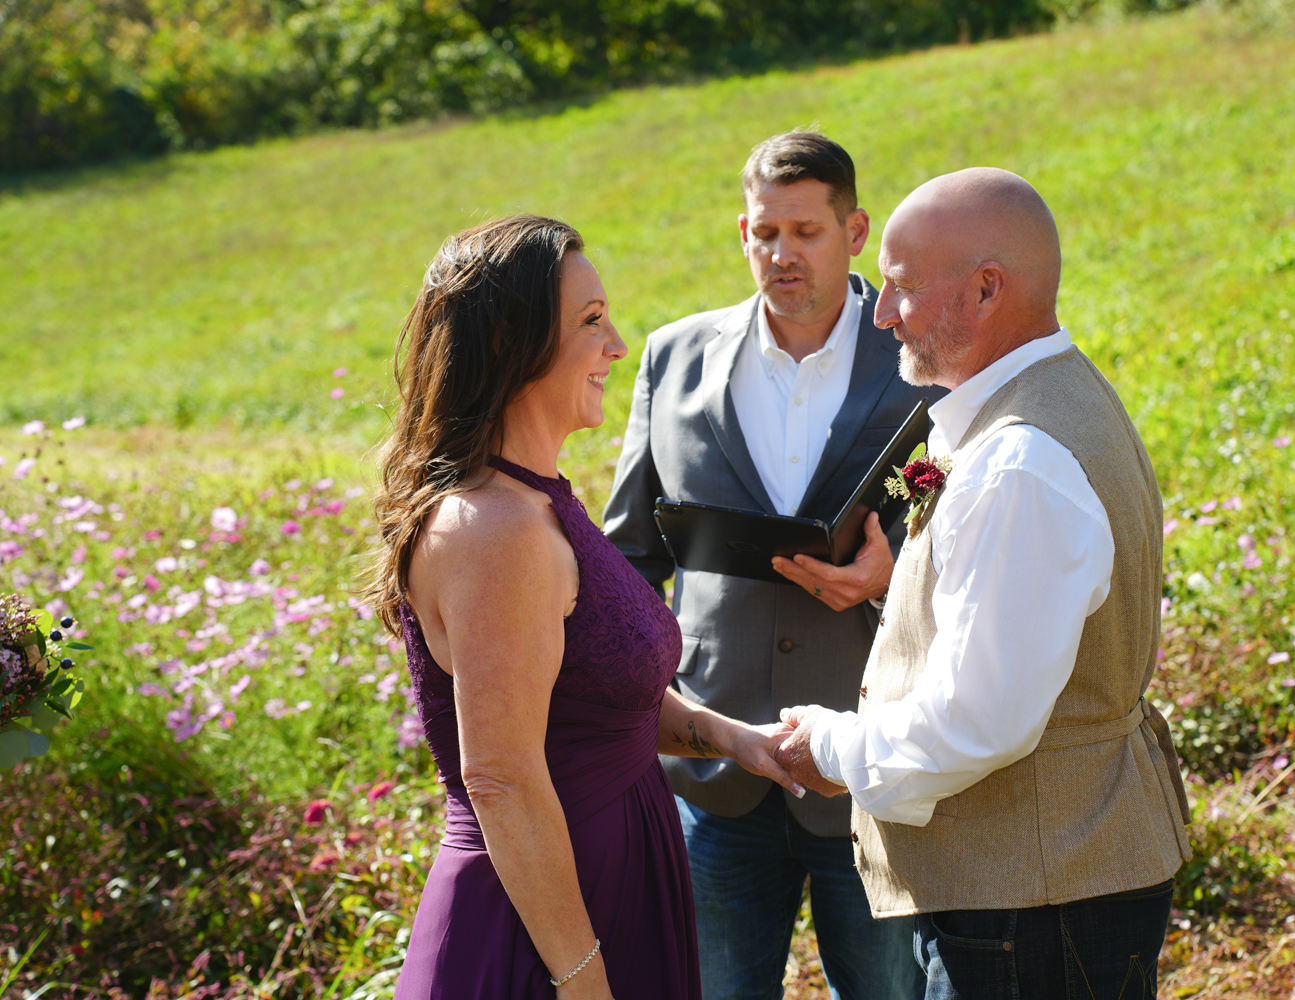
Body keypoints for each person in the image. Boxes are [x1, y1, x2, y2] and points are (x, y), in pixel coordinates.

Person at [774, 168, 1193, 999]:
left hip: (1034, 906)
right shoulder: (1051, 407)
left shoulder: (1019, 461)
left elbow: (976, 722)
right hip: (1048, 884)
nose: (881, 313)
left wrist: (830, 746)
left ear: (986, 289)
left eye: (898, 288)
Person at [368, 215, 801, 1000]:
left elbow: (595, 690)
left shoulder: (536, 503)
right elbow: (500, 779)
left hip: (608, 892)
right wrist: (582, 979)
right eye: (591, 321)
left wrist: (737, 740)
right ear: (509, 342)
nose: (618, 346)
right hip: (539, 935)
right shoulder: (494, 532)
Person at [603, 133, 935, 1000]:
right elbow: (628, 557)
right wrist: (637, 712)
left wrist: (891, 569)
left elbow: (974, 530)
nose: (782, 253)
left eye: (806, 231)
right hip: (709, 766)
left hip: (870, 761)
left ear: (856, 230)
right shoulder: (672, 356)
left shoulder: (923, 360)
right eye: (764, 233)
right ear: (740, 233)